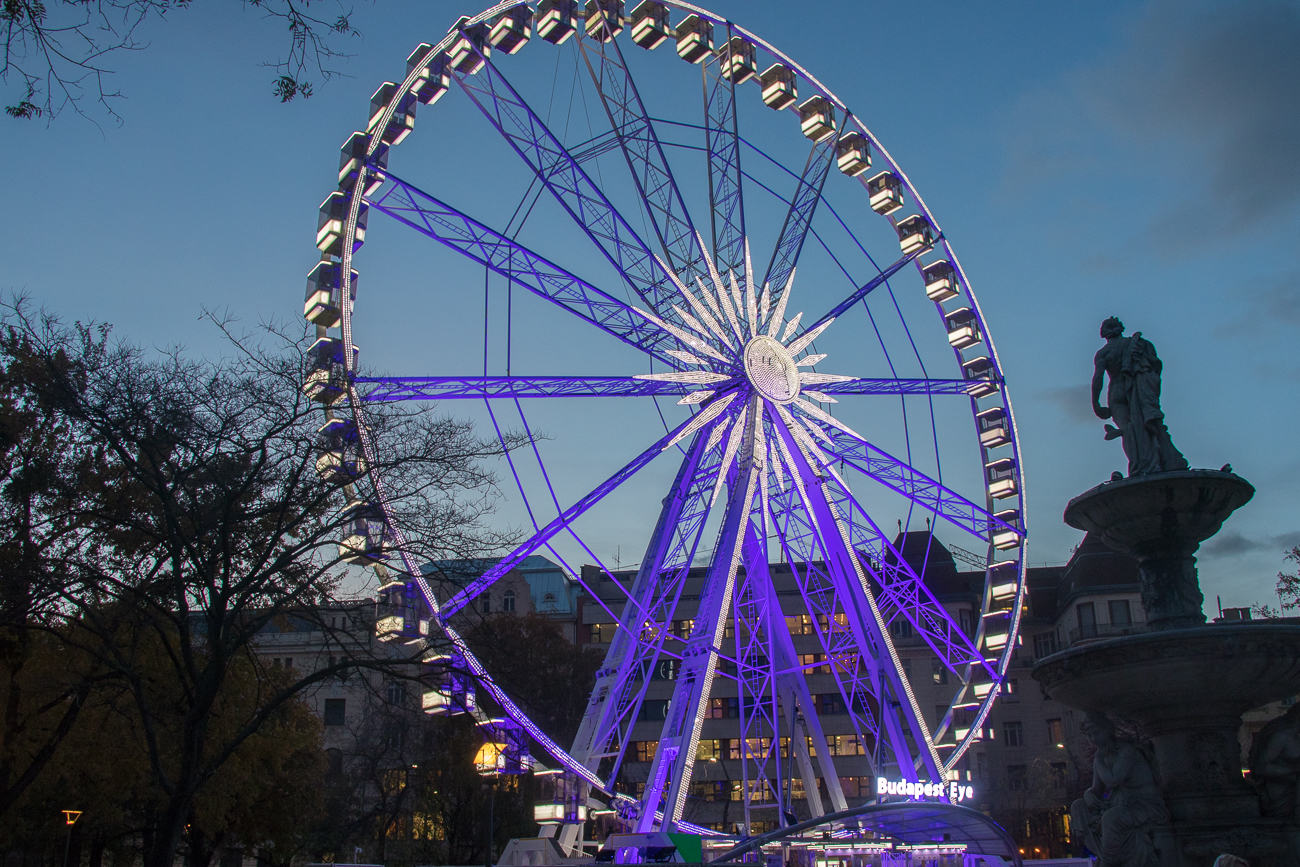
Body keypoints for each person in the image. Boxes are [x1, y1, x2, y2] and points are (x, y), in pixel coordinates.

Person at [1091, 317, 1189, 477]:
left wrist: (1095, 403)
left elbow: (1097, 378)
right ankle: (1155, 463)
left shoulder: (1104, 353)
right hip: (1138, 389)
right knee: (1145, 426)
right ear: (1120, 329)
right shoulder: (1137, 344)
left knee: (1127, 430)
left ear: (1103, 333)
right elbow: (1155, 367)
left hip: (1117, 393)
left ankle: (1138, 466)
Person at [1070, 712, 1168, 867]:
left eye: (1096, 733)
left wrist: (1098, 760)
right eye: (1089, 735)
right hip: (1120, 804)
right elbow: (1097, 788)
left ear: (1107, 731)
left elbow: (1113, 780)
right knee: (1078, 806)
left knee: (1112, 818)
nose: (1093, 739)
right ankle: (1105, 854)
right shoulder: (1101, 755)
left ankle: (1109, 863)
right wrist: (1089, 794)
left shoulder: (1126, 751)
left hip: (1144, 804)